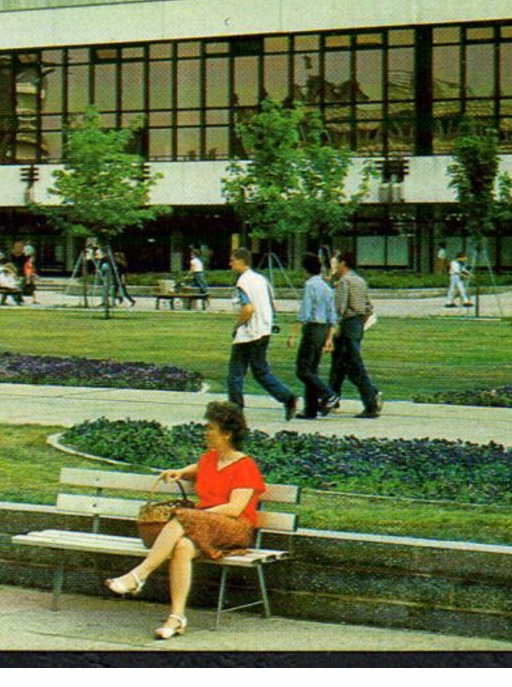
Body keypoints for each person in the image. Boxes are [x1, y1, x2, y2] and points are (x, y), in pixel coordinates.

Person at [103, 401, 268, 640]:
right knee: (181, 547)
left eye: (211, 428)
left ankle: (139, 574)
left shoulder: (246, 466)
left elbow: (235, 509)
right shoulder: (210, 459)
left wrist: (199, 515)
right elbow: (198, 469)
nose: (206, 432)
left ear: (227, 433)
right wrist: (179, 472)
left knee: (182, 515)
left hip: (234, 530)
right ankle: (177, 618)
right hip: (203, 527)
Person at [225, 248, 298, 420]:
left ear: (242, 262)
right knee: (261, 371)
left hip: (248, 333)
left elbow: (248, 308)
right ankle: (287, 397)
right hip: (264, 330)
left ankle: (235, 411)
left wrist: (237, 326)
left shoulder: (243, 282)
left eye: (233, 261)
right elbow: (272, 304)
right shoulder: (261, 280)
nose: (230, 264)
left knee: (235, 373)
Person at [328, 249, 381, 418]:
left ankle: (371, 399)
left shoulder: (345, 282)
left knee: (354, 366)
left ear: (343, 263)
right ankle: (330, 399)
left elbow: (340, 308)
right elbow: (368, 307)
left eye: (336, 262)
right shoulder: (360, 281)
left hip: (347, 325)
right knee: (339, 366)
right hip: (358, 323)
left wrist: (333, 328)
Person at [291, 253, 338, 419]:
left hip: (312, 328)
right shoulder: (326, 286)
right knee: (312, 370)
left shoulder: (310, 285)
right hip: (324, 328)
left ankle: (329, 394)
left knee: (302, 370)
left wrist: (293, 334)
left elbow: (305, 312)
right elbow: (333, 314)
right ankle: (310, 409)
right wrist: (329, 337)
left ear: (306, 269)